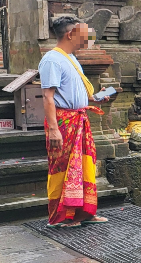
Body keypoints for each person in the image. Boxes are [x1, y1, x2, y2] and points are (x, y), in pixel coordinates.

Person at [39, 16, 113, 227]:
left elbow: (74, 92)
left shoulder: (71, 59)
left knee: (84, 165)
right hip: (64, 122)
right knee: (64, 167)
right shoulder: (52, 59)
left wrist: (96, 97)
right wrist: (53, 129)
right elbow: (48, 97)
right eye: (84, 35)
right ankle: (65, 216)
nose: (87, 40)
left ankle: (84, 213)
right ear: (70, 34)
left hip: (79, 118)